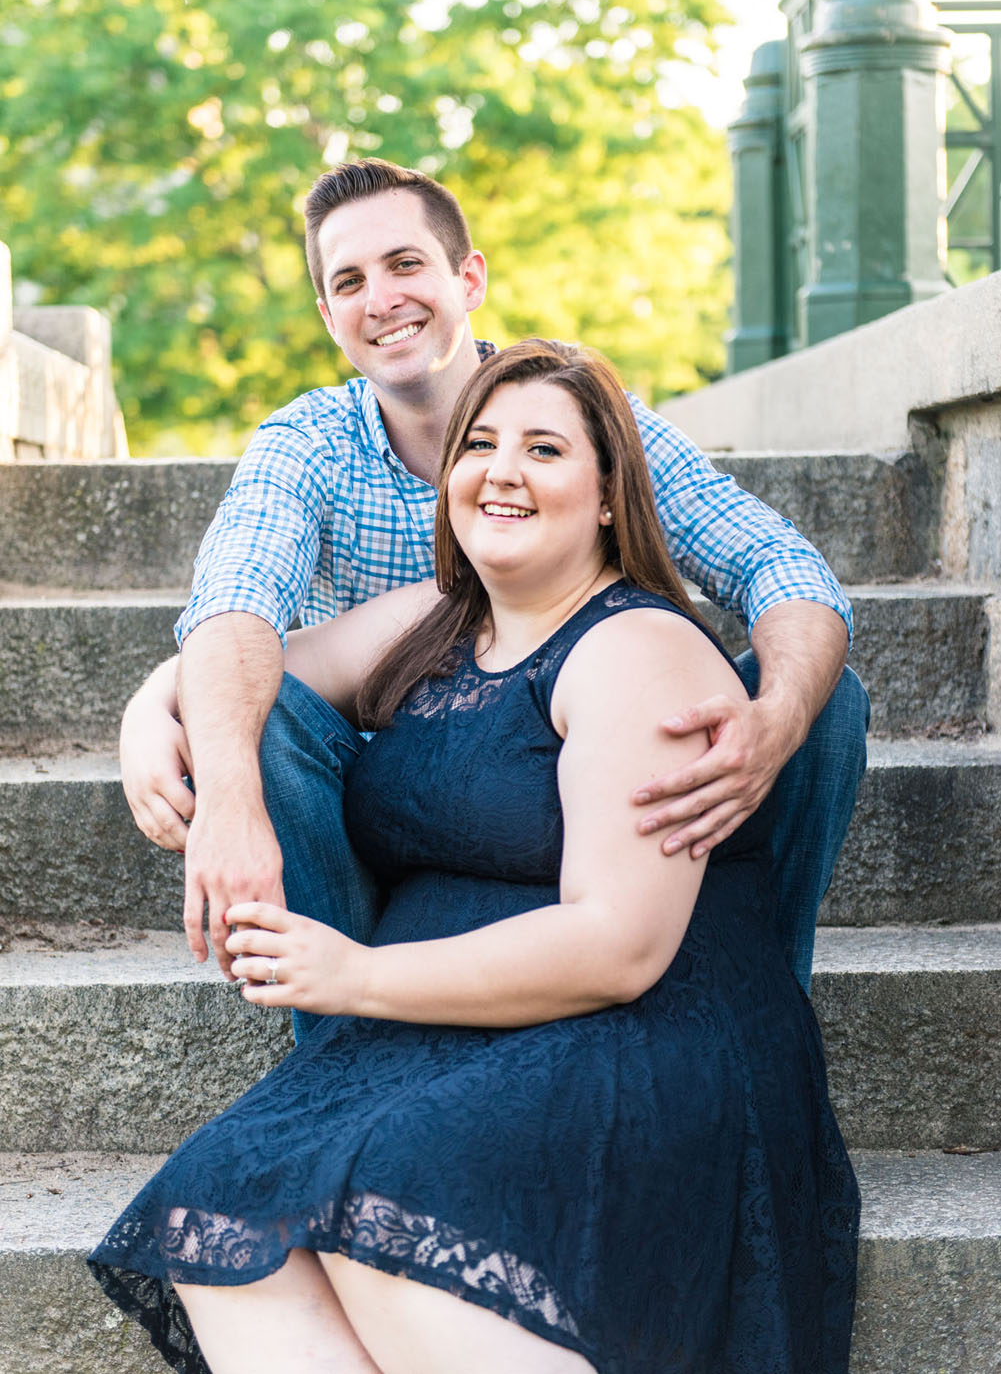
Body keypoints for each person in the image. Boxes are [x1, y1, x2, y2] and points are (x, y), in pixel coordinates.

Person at [90, 340, 860, 1374]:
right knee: (221, 1225)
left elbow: (617, 947)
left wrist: (353, 974)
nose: (500, 469)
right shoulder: (432, 621)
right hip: (436, 1030)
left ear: (604, 498)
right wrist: (149, 711)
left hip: (626, 1024)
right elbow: (233, 669)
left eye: (543, 448)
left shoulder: (641, 652)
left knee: (380, 1226)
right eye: (480, 444)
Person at [120, 159, 868, 1007]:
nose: (383, 299)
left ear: (466, 277)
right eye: (350, 282)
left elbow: (779, 564)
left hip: (586, 772)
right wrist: (189, 741)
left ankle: (767, 995)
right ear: (329, 316)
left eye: (406, 264)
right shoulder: (309, 443)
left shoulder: (574, 413)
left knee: (824, 697)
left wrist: (776, 719)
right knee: (261, 718)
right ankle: (342, 1039)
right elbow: (236, 605)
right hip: (405, 796)